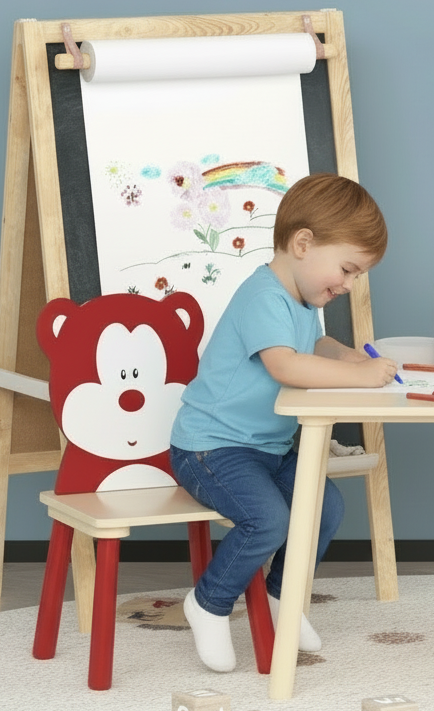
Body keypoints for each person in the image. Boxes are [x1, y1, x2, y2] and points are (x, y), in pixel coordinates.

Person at [170, 172, 396, 673]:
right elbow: (286, 365)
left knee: (326, 507)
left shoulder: (299, 298)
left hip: (266, 448)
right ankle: (208, 602)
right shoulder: (264, 296)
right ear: (302, 244)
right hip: (211, 448)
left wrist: (351, 357)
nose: (348, 284)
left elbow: (312, 347)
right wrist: (359, 379)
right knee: (269, 518)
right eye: (347, 269)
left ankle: (281, 598)